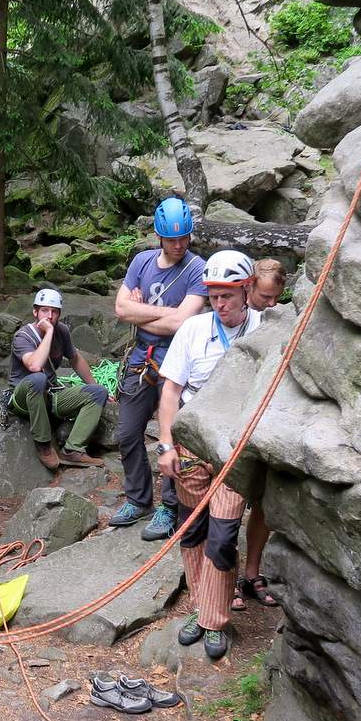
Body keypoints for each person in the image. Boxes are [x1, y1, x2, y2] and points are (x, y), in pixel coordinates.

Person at [155, 250, 261, 661]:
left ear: (247, 291)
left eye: (227, 296)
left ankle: (215, 620)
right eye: (214, 296)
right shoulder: (194, 329)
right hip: (192, 444)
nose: (219, 304)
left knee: (222, 535)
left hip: (235, 450)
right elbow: (171, 391)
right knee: (193, 529)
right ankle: (201, 609)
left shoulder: (263, 330)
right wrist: (166, 445)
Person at [110, 197, 209, 542]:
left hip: (177, 360)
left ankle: (169, 506)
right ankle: (138, 499)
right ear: (159, 236)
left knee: (172, 435)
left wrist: (141, 312)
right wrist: (165, 314)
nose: (179, 245)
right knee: (127, 433)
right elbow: (120, 309)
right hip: (141, 358)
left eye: (183, 238)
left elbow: (183, 323)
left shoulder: (196, 268)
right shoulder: (142, 261)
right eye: (171, 239)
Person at [6, 289, 108, 471]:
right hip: (23, 397)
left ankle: (72, 449)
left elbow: (75, 359)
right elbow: (34, 365)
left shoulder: (62, 331)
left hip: (50, 394)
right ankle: (43, 444)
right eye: (45, 310)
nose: (50, 316)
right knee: (38, 378)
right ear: (35, 312)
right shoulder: (23, 336)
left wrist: (93, 384)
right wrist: (49, 332)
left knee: (98, 393)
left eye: (54, 311)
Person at [235, 259, 287, 611]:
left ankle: (252, 572)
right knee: (229, 506)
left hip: (265, 420)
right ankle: (227, 577)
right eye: (265, 296)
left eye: (276, 297)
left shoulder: (280, 317)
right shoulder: (236, 316)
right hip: (235, 417)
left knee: (263, 505)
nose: (271, 303)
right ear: (249, 287)